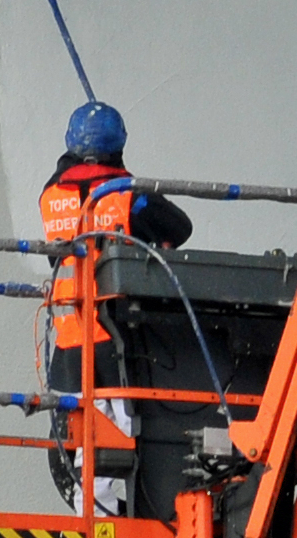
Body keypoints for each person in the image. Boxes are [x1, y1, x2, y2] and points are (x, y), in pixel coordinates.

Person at [38, 103, 190, 510]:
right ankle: (121, 520)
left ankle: (96, 514)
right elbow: (180, 227)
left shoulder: (51, 196)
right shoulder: (127, 195)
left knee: (74, 435)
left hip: (70, 341)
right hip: (115, 336)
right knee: (123, 432)